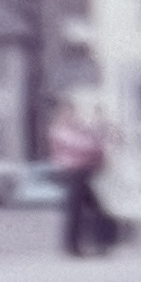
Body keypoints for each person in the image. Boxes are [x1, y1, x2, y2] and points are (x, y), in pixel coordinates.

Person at [48, 91, 115, 258]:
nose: (70, 114)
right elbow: (86, 145)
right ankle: (75, 245)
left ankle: (97, 242)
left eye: (72, 110)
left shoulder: (77, 127)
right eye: (67, 111)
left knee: (92, 208)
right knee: (78, 209)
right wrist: (97, 146)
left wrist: (99, 133)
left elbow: (96, 140)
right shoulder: (60, 129)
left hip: (84, 172)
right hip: (73, 172)